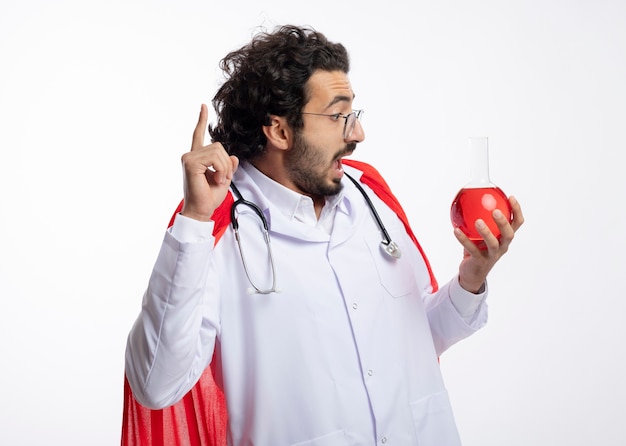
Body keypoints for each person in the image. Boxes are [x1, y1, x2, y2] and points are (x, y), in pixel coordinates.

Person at [124, 24, 524, 446]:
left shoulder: (372, 200)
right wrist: (194, 220)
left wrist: (472, 278)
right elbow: (156, 385)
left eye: (354, 115)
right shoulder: (216, 234)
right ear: (279, 130)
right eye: (338, 116)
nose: (357, 134)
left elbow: (417, 340)